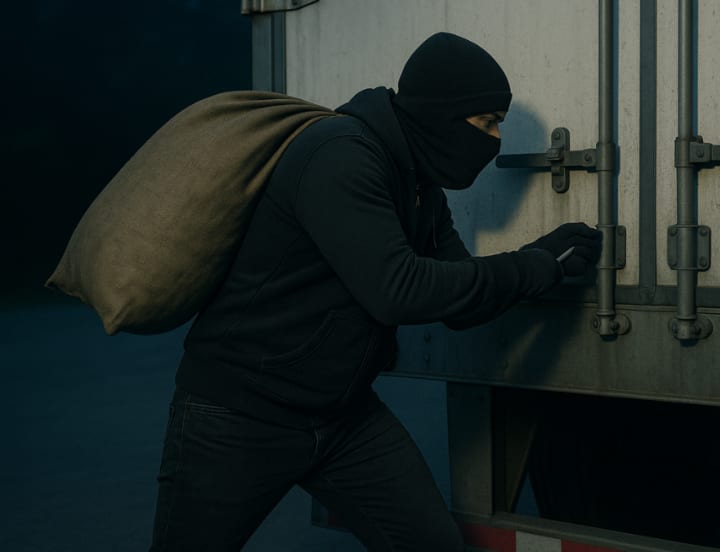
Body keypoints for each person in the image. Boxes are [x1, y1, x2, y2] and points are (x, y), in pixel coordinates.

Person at [149, 32, 602, 551]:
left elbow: (457, 302)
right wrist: (528, 267)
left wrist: (545, 258)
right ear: (441, 113)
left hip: (341, 419)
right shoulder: (341, 155)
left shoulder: (420, 184)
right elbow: (398, 291)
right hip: (239, 415)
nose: (496, 138)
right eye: (488, 122)